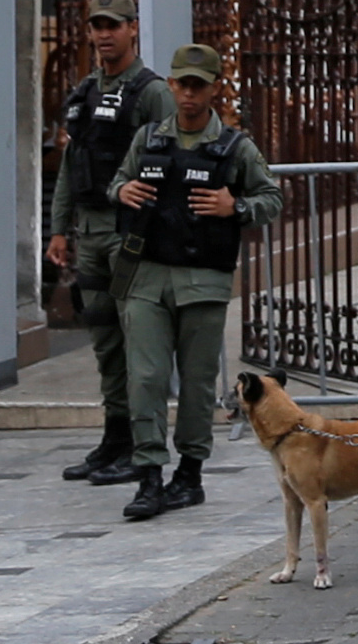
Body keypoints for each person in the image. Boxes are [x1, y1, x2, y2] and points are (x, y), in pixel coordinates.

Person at [116, 45, 282, 521]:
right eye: (181, 84)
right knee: (145, 377)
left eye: (198, 85)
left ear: (214, 88)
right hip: (147, 275)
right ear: (170, 85)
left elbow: (271, 197)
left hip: (203, 279)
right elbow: (117, 183)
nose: (188, 94)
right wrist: (122, 190)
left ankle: (189, 474)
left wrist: (238, 208)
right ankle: (148, 474)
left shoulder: (234, 147)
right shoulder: (148, 138)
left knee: (196, 382)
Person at [46, 0, 174, 485]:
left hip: (132, 233)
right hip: (92, 230)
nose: (104, 34)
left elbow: (169, 164)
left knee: (138, 341)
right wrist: (60, 227)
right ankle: (115, 436)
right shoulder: (86, 91)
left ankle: (145, 446)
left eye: (113, 25)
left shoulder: (151, 92)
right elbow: (71, 167)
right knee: (104, 338)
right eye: (97, 25)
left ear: (133, 28)